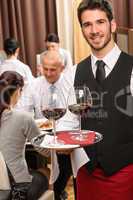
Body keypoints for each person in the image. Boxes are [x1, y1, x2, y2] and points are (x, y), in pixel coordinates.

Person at [71, 0, 133, 200]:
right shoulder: (74, 72)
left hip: (125, 172)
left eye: (100, 22)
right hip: (86, 173)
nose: (94, 30)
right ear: (81, 29)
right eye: (87, 24)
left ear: (112, 25)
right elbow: (68, 121)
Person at [18, 50, 78, 200]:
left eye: (53, 69)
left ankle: (57, 191)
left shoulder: (69, 83)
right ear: (40, 67)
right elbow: (24, 110)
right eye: (45, 69)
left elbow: (74, 113)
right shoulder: (33, 85)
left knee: (65, 161)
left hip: (66, 134)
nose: (49, 73)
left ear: (62, 68)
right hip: (41, 134)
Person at [0, 71, 48, 200]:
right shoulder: (23, 118)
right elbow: (44, 151)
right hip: (17, 190)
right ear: (18, 91)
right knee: (45, 171)